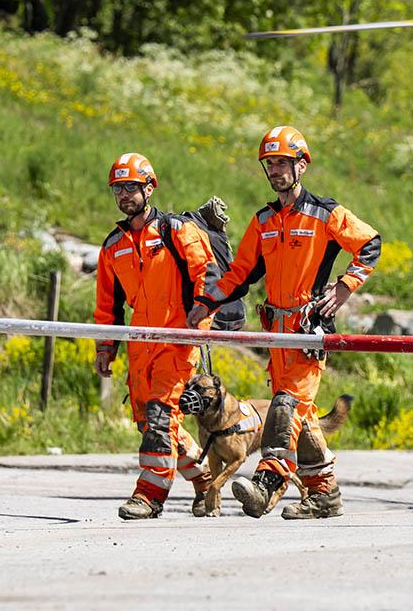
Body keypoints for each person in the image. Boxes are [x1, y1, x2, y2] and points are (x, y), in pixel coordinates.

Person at [186, 125, 381, 520]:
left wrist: (344, 287)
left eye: (283, 163)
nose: (275, 171)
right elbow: (239, 274)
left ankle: (266, 484)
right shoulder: (262, 221)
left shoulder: (326, 213)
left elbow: (370, 244)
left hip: (309, 329)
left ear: (302, 165)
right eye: (270, 164)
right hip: (274, 332)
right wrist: (206, 302)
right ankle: (323, 494)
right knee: (302, 416)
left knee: (285, 406)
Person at [94, 152, 216, 520]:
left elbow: (207, 277)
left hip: (176, 343)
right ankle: (206, 480)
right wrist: (105, 347)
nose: (124, 195)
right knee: (152, 424)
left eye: (131, 186)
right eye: (118, 188)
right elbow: (107, 304)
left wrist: (200, 326)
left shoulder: (177, 232)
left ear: (150, 187)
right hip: (138, 348)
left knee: (162, 416)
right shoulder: (112, 245)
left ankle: (149, 495)